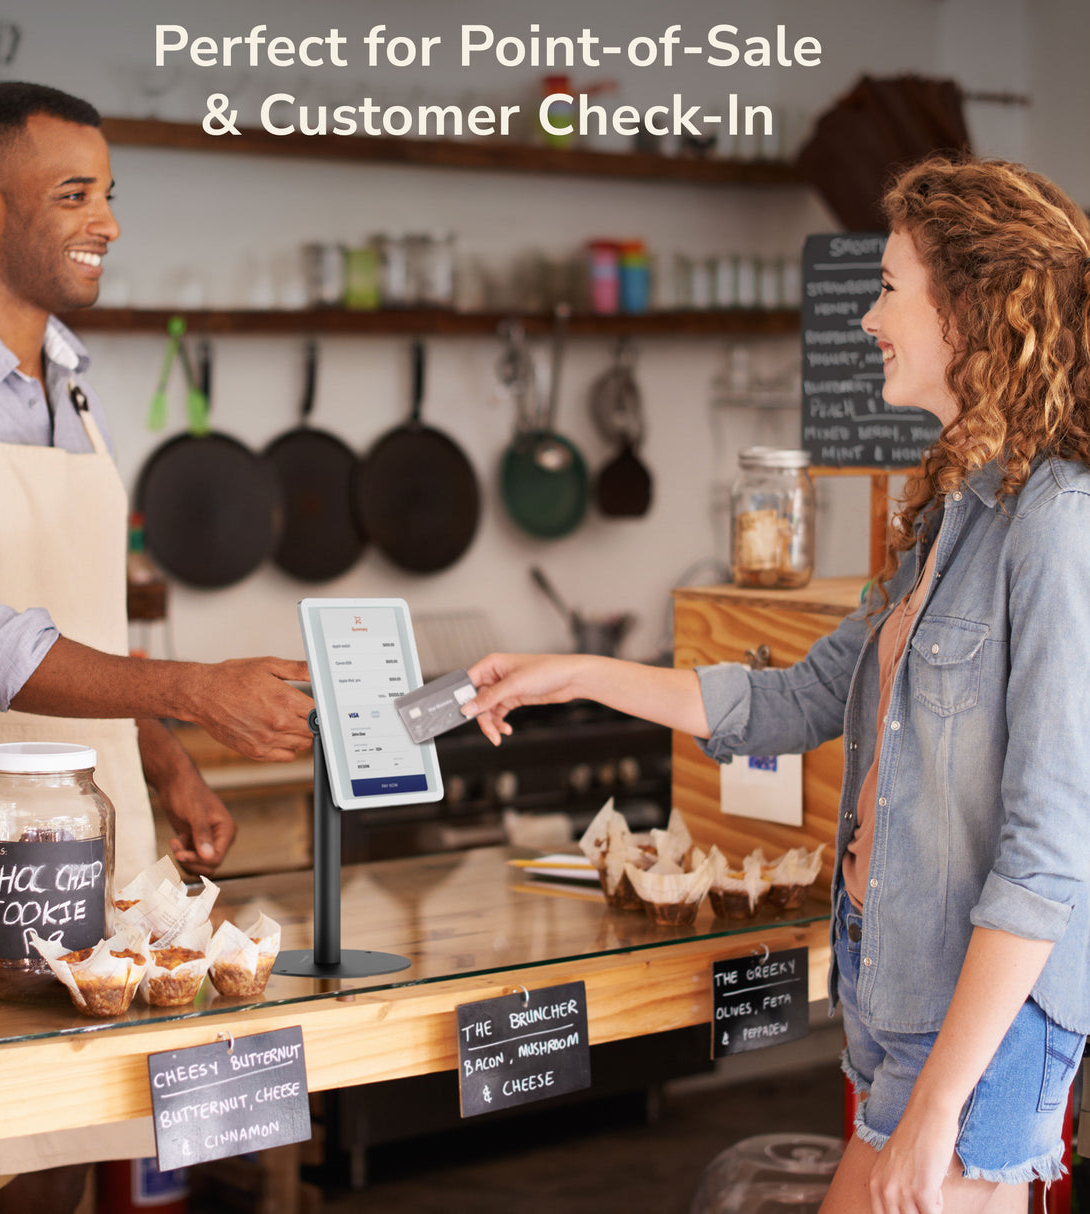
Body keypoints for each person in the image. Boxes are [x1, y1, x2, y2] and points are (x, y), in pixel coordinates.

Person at [465, 153, 1090, 1214]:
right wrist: (572, 671)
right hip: (896, 1002)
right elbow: (790, 701)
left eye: (888, 287)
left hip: (975, 1036)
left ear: (971, 305)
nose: (865, 319)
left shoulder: (1053, 521)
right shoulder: (946, 515)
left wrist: (937, 1105)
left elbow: (1046, 854)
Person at [0, 82, 313, 1210]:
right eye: (75, 194)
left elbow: (81, 610)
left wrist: (163, 753)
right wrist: (194, 689)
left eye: (110, 193)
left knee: (71, 1159)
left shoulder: (68, 379)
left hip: (100, 851)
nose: (107, 221)